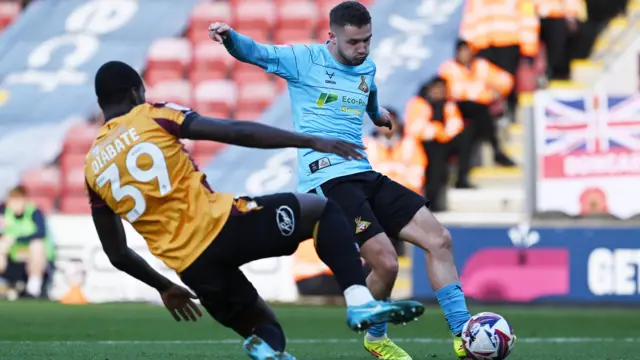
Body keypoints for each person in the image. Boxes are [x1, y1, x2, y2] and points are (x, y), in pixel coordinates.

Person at [84, 60, 425, 360]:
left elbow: (117, 253)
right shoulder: (153, 115)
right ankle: (358, 299)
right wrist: (308, 140)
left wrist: (164, 286)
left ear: (101, 103)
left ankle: (268, 350)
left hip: (192, 268)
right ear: (135, 92)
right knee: (322, 210)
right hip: (225, 225)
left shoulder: (92, 168)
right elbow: (235, 131)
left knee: (265, 328)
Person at [210, 2, 472, 359]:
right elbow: (257, 53)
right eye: (353, 42)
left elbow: (370, 90)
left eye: (367, 40)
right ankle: (376, 338)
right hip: (327, 178)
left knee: (439, 239)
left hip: (362, 172)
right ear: (332, 36)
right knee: (387, 263)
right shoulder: (304, 60)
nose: (362, 49)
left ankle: (464, 335)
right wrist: (230, 38)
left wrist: (377, 115)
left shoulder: (367, 65)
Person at [438, 40, 517, 167]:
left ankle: (493, 152)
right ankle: (496, 151)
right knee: (479, 113)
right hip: (457, 109)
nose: (465, 54)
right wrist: (482, 94)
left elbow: (506, 80)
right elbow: (454, 93)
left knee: (476, 122)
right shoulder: (448, 68)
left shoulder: (481, 65)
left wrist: (496, 92)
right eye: (462, 51)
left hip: (479, 109)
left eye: (467, 51)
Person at [404, 77, 470, 211]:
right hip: (421, 147)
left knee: (464, 138)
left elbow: (456, 125)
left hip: (442, 145)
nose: (439, 92)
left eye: (442, 89)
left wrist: (439, 132)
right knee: (434, 162)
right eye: (436, 88)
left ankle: (461, 178)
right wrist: (439, 130)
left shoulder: (449, 105)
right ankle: (429, 201)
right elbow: (416, 129)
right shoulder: (418, 103)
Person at [0, 186, 55, 299]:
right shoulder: (4, 212)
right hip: (12, 255)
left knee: (37, 245)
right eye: (13, 201)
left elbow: (41, 233)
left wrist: (16, 239)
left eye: (19, 201)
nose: (16, 205)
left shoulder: (35, 212)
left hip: (33, 255)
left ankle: (33, 289)